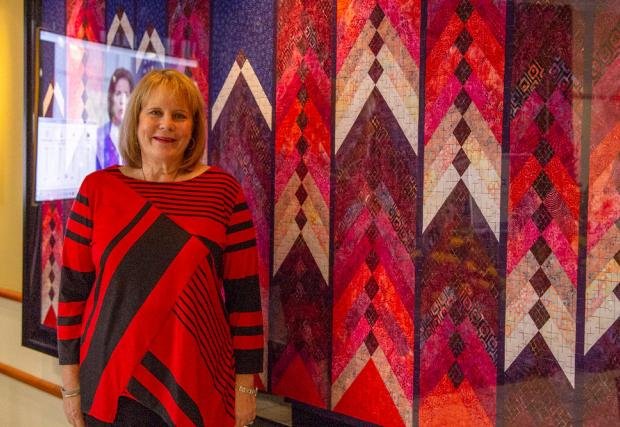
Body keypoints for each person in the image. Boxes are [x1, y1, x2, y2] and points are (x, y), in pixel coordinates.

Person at [57, 69, 263, 427]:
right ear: (135, 119)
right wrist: (71, 387)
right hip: (110, 385)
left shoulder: (223, 192)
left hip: (200, 386)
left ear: (193, 127)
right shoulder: (97, 190)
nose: (166, 124)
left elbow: (244, 300)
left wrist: (246, 388)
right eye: (155, 112)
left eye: (179, 115)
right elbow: (72, 295)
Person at [96, 68, 134, 169]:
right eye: (118, 93)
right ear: (111, 98)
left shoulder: (138, 137)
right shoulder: (99, 136)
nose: (122, 101)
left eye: (127, 94)